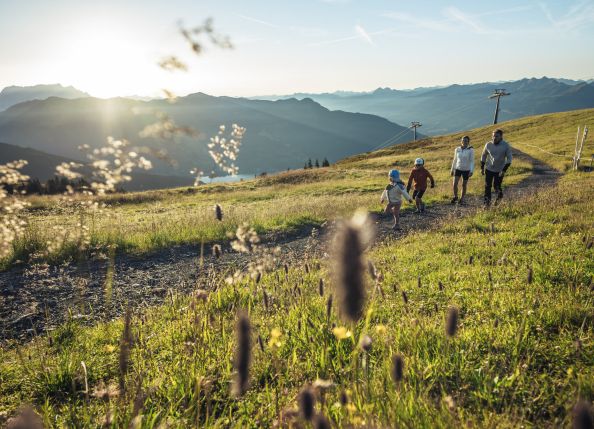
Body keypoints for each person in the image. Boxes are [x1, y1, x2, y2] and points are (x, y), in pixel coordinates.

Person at [481, 129, 512, 206]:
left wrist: (504, 170)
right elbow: (484, 155)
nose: (494, 138)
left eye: (496, 136)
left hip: (500, 170)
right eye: (493, 136)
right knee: (487, 186)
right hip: (489, 168)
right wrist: (482, 167)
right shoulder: (488, 144)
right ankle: (486, 204)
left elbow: (509, 159)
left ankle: (499, 197)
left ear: (501, 137)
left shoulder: (506, 145)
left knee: (496, 187)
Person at [450, 135, 474, 204]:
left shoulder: (471, 150)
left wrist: (471, 171)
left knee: (464, 185)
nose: (464, 142)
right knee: (454, 184)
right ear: (461, 141)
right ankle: (455, 197)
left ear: (468, 142)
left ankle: (462, 199)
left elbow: (472, 161)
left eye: (466, 141)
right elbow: (455, 159)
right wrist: (452, 169)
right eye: (463, 140)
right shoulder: (457, 149)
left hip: (466, 170)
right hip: (458, 168)